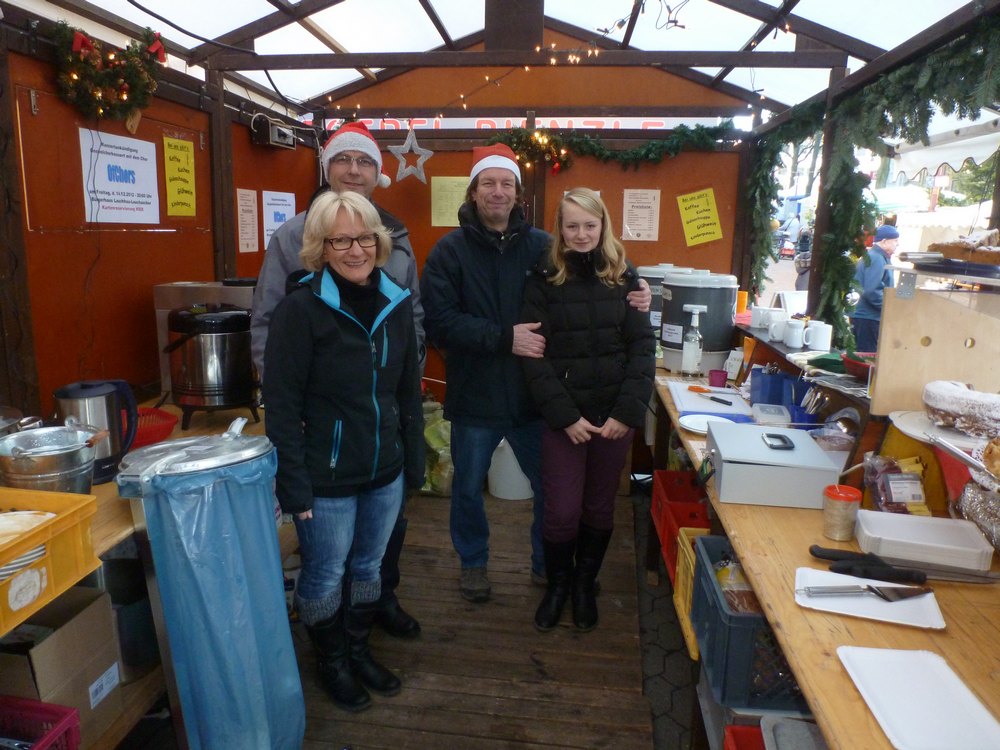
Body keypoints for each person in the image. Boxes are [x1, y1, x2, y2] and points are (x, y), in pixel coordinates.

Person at [420, 143, 651, 604]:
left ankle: (547, 566)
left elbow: (598, 263)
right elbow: (439, 322)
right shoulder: (449, 252)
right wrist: (503, 337)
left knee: (550, 491)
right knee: (467, 489)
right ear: (473, 191)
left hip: (534, 399)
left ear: (517, 193)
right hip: (475, 396)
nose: (498, 191)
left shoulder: (543, 246)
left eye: (506, 183)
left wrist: (639, 285)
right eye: (489, 183)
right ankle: (473, 564)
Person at [252, 120, 424, 639]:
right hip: (325, 433)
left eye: (364, 161)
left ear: (378, 173)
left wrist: (399, 388)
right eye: (343, 159)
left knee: (377, 547)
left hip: (380, 433)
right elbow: (269, 322)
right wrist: (289, 412)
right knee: (328, 562)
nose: (354, 170)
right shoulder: (292, 238)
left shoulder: (397, 237)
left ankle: (375, 611)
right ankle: (334, 653)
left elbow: (410, 318)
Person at [521, 188, 655, 632]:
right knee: (561, 510)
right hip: (564, 421)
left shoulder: (625, 276)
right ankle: (558, 585)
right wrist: (565, 417)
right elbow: (533, 356)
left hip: (613, 418)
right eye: (572, 225)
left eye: (589, 225)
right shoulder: (543, 277)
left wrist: (626, 414)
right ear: (560, 229)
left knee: (599, 507)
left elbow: (642, 349)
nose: (581, 234)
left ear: (603, 226)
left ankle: (583, 584)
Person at [850, 223, 899, 351]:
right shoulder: (877, 258)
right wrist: (889, 308)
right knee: (867, 357)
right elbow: (872, 291)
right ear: (884, 242)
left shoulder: (877, 256)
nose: (897, 244)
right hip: (868, 318)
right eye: (895, 241)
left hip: (866, 317)